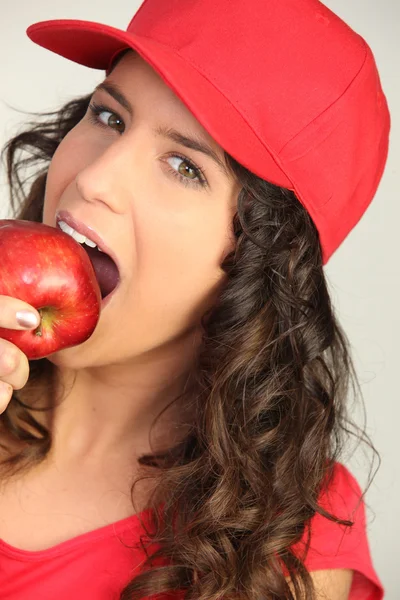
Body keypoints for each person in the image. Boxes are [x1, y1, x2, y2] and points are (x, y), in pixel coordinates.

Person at [0, 0, 390, 599]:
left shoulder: (288, 541)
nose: (94, 179)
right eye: (109, 117)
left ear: (261, 263)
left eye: (184, 165)